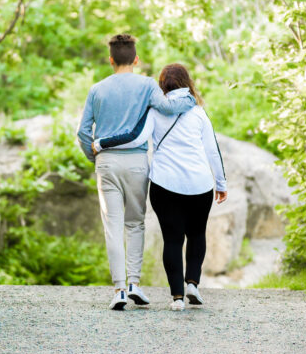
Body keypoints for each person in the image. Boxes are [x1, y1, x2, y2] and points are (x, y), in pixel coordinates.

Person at [95, 63, 227, 311]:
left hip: (165, 185)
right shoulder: (198, 113)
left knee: (173, 240)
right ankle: (193, 284)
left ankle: (177, 298)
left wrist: (102, 144)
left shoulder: (155, 112)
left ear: (162, 85)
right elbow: (212, 149)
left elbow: (135, 138)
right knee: (197, 234)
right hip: (200, 185)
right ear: (188, 83)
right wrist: (221, 183)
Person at [77, 35, 196, 311]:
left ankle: (118, 289)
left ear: (110, 60)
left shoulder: (97, 89)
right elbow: (167, 107)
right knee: (135, 223)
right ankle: (134, 284)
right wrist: (189, 101)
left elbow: (83, 132)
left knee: (112, 227)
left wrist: (94, 157)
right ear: (136, 59)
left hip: (107, 162)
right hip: (136, 163)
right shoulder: (146, 85)